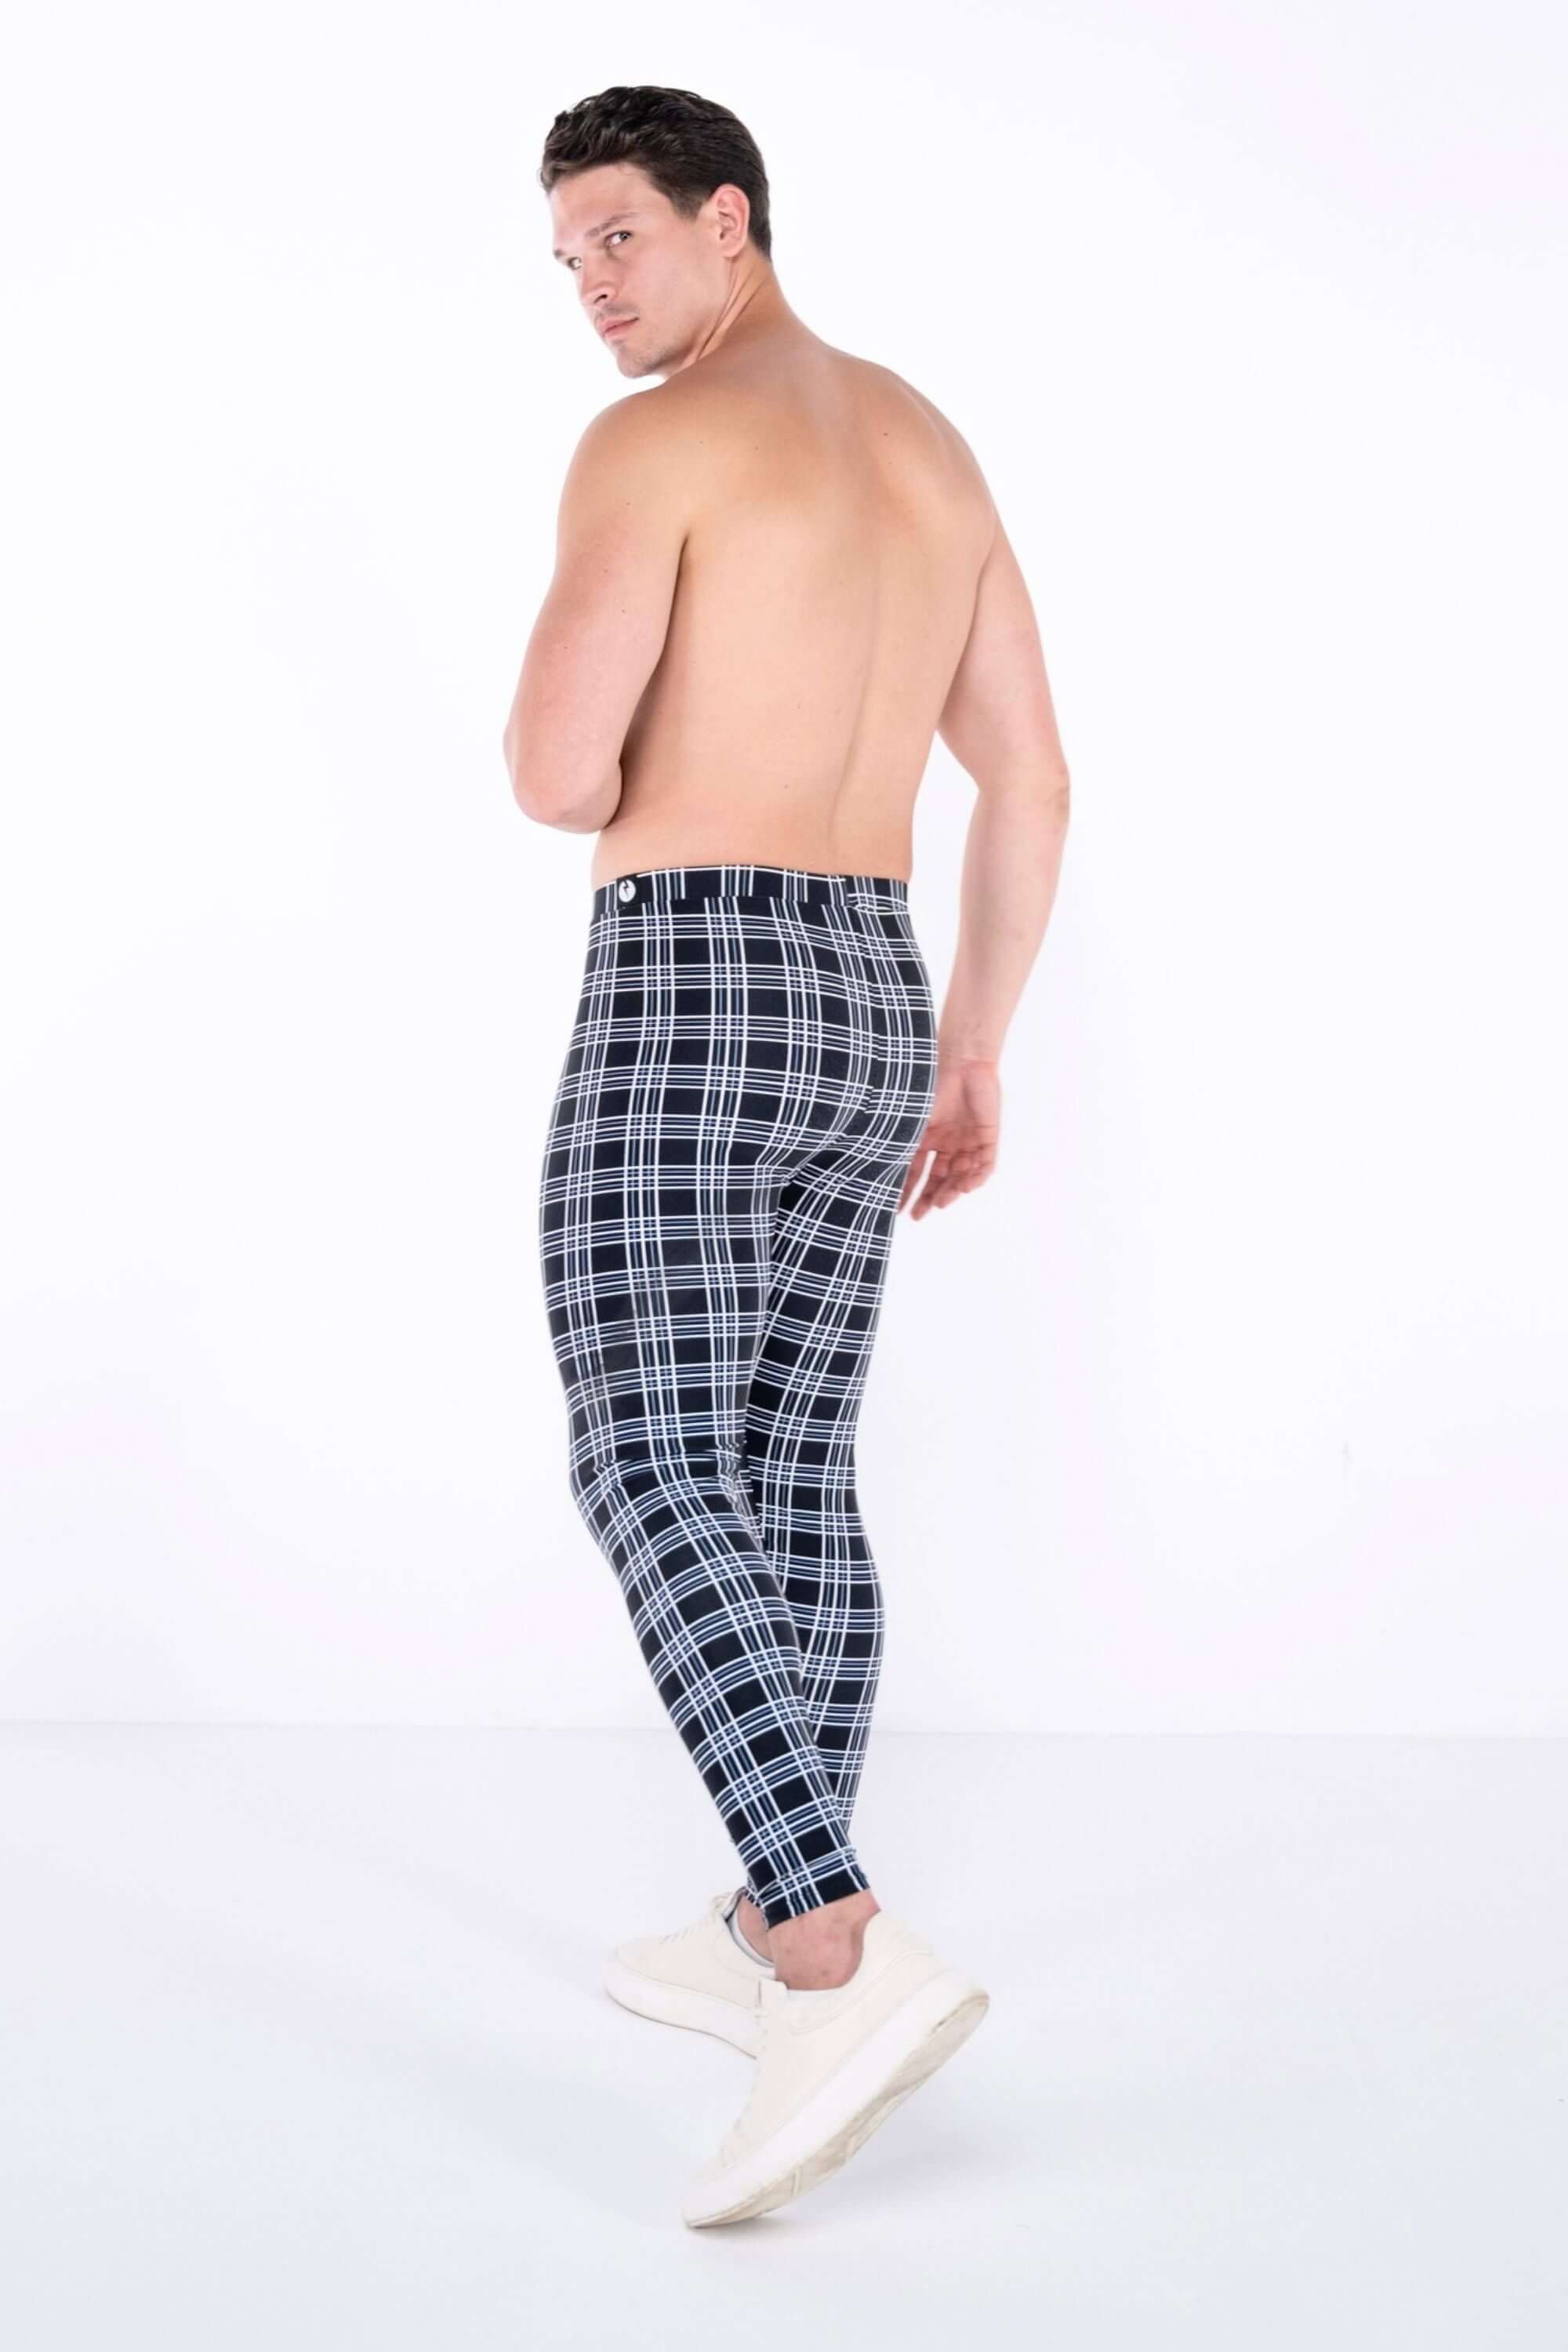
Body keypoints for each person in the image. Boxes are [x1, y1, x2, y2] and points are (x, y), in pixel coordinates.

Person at [503, 85, 1071, 2225]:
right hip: (870, 985)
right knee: (785, 1463)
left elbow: (559, 773)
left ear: (727, 219)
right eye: (569, 257)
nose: (592, 288)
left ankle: (833, 1946)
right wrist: (973, 1044)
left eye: (620, 239)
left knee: (649, 1458)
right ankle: (769, 1923)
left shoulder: (655, 443)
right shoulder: (928, 447)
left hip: (692, 973)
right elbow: (1031, 779)